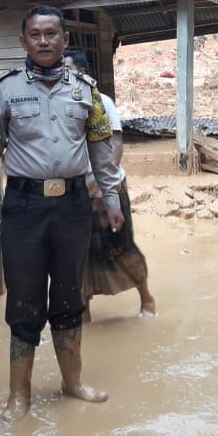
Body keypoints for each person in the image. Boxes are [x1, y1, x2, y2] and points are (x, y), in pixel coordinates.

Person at [0, 5, 125, 422]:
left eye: (52, 34)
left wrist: (111, 199)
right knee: (24, 300)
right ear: (23, 42)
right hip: (24, 207)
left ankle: (73, 383)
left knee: (71, 295)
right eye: (35, 35)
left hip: (72, 207)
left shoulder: (85, 91)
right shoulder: (7, 91)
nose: (44, 41)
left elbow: (100, 151)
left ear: (65, 40)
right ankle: (20, 396)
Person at [63, 50, 156, 318]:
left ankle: (147, 299)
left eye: (67, 69)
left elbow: (115, 144)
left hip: (106, 191)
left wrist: (106, 188)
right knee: (79, 258)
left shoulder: (101, 101)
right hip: (75, 195)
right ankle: (84, 314)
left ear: (82, 72)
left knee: (122, 248)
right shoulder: (60, 105)